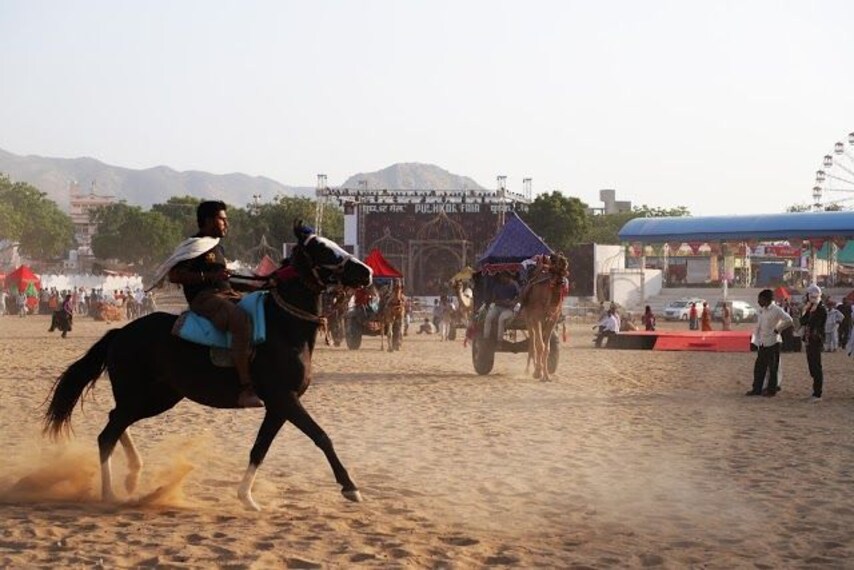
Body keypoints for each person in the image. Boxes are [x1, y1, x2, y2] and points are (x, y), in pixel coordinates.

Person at [150, 200, 262, 408]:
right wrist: (208, 276)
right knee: (240, 320)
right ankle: (246, 387)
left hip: (226, 294)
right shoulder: (194, 245)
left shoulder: (216, 246)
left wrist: (257, 285)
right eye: (222, 219)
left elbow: (222, 278)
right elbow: (176, 276)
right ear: (209, 221)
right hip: (205, 299)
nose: (226, 224)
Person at [746, 289, 793, 397]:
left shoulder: (777, 310)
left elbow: (789, 320)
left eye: (760, 299)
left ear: (766, 299)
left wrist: (778, 329)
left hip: (773, 342)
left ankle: (771, 391)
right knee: (759, 368)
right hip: (762, 343)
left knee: (773, 368)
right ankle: (756, 389)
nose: (758, 301)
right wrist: (755, 340)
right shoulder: (762, 310)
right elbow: (758, 326)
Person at [799, 284, 827, 402]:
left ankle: (817, 394)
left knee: (816, 366)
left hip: (815, 341)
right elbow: (802, 321)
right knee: (812, 366)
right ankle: (815, 392)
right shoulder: (811, 308)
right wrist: (807, 310)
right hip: (809, 341)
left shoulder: (820, 309)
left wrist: (809, 311)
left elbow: (816, 324)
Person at [483, 272, 520, 343]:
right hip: (498, 307)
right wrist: (503, 302)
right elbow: (494, 299)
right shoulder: (498, 285)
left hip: (509, 309)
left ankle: (499, 340)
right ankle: (486, 338)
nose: (502, 278)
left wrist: (513, 302)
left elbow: (519, 297)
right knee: (488, 317)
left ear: (508, 277)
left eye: (504, 276)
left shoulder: (514, 285)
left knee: (501, 319)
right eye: (501, 277)